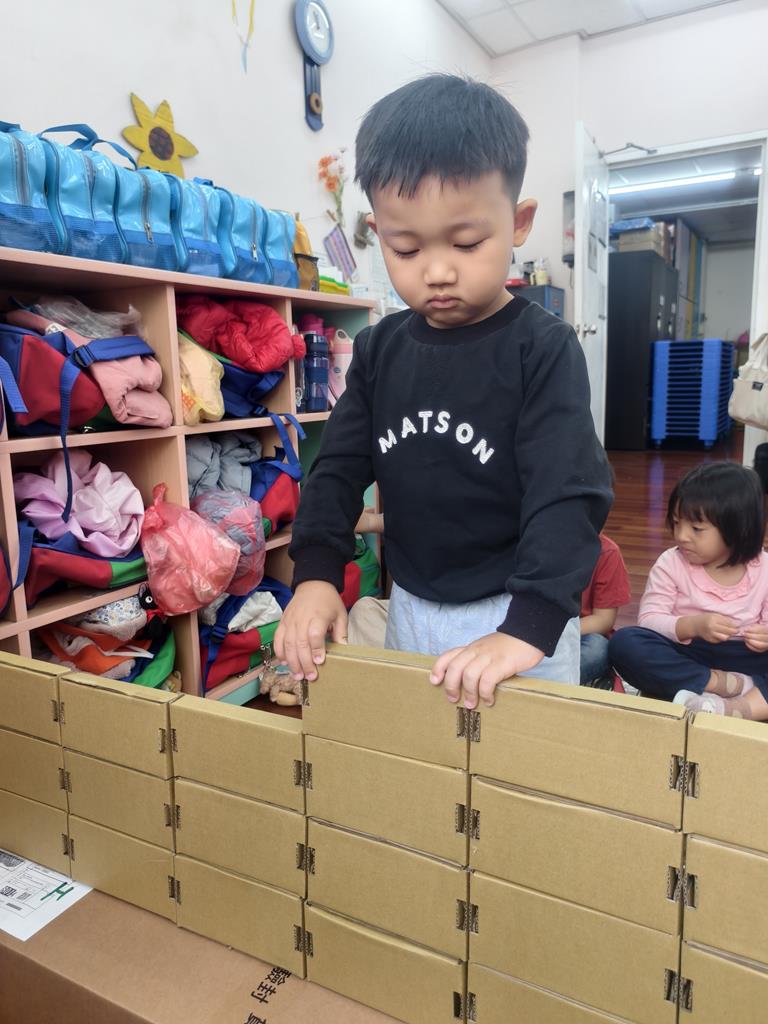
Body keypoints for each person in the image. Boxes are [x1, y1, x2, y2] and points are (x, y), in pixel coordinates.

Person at [274, 73, 612, 710]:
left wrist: (530, 626)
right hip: (412, 605)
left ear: (518, 222)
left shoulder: (542, 348)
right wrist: (316, 575)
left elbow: (568, 494)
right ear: (378, 232)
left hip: (519, 613)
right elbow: (336, 469)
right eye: (405, 248)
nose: (436, 270)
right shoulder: (380, 349)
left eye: (466, 243)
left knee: (521, 759)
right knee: (426, 752)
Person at [609, 461, 768, 720]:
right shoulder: (671, 563)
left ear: (738, 529)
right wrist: (693, 626)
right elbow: (649, 620)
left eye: (696, 528)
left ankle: (736, 709)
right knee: (625, 644)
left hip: (746, 657)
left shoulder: (764, 569)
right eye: (676, 522)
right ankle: (724, 686)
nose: (681, 535)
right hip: (689, 653)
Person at [579, 533, 631, 686]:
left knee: (598, 650)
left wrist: (561, 631)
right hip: (534, 633)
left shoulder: (607, 552)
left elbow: (603, 620)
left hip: (582, 635)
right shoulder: (534, 542)